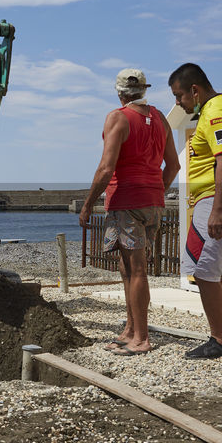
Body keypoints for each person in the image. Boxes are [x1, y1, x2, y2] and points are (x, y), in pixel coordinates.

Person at [79, 69, 179, 356]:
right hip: (152, 202)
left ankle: (142, 338)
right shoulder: (161, 118)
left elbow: (105, 168)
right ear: (144, 90)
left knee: (136, 269)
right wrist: (155, 191)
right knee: (128, 267)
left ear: (120, 92)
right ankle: (130, 329)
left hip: (126, 201)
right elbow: (173, 167)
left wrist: (88, 205)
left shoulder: (118, 117)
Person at [168, 63, 222, 359]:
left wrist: (217, 210)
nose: (177, 102)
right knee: (218, 271)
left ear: (195, 90)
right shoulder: (218, 108)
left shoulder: (216, 112)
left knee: (204, 272)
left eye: (179, 95)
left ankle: (220, 340)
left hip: (220, 199)